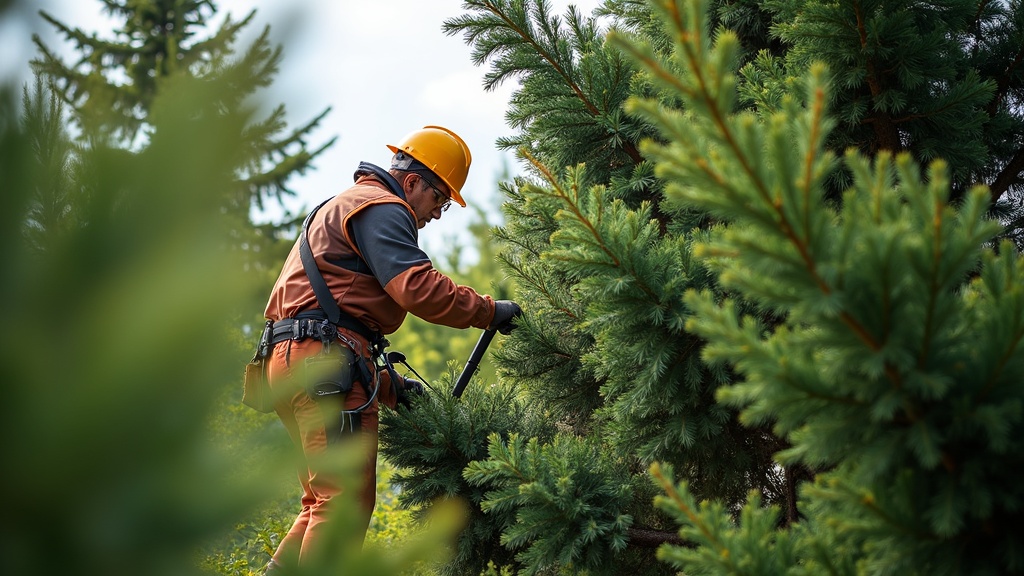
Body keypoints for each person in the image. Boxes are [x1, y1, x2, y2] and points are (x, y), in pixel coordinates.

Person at [260, 125, 521, 572]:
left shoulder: (345, 204)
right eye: (439, 199)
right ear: (414, 181)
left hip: (292, 362)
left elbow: (331, 311)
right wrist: (489, 310)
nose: (438, 213)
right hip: (324, 362)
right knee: (341, 503)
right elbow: (417, 289)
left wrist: (388, 384)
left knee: (320, 501)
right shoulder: (383, 207)